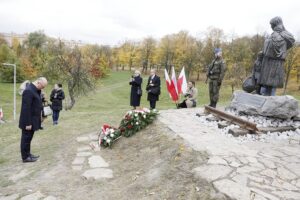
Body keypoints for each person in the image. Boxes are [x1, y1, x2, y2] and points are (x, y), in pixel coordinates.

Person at [259, 16, 295, 96]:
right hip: (272, 61)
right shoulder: (285, 35)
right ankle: (266, 97)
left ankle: (269, 99)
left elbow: (291, 42)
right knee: (269, 82)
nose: (271, 27)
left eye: (272, 25)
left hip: (274, 62)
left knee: (270, 82)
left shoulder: (281, 35)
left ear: (275, 24)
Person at [19, 77, 48, 163]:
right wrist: (28, 123)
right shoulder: (29, 91)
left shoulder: (35, 90)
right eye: (42, 86)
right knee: (25, 139)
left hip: (33, 119)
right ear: (38, 82)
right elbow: (26, 109)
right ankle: (25, 157)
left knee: (29, 139)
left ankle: (28, 154)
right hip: (28, 121)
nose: (42, 88)